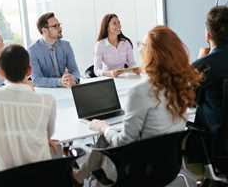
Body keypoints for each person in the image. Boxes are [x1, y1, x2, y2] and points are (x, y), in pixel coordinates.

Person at [74, 26, 201, 184]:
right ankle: (79, 176)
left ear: (152, 54)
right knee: (106, 139)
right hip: (169, 167)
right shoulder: (183, 85)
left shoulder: (141, 91)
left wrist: (104, 127)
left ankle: (78, 177)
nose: (140, 48)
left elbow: (123, 141)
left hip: (136, 171)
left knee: (103, 138)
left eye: (142, 45)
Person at [0, 45, 56, 174]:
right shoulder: (47, 101)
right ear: (29, 71)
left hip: (0, 180)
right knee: (56, 149)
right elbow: (48, 135)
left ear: (0, 72)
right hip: (39, 178)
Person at [193, 6, 228, 148]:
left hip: (215, 142)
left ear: (208, 35)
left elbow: (187, 101)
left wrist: (200, 60)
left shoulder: (202, 66)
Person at [28, 12, 80, 88]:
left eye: (59, 25)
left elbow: (75, 71)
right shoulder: (32, 51)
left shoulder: (66, 46)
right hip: (46, 93)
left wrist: (73, 79)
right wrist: (59, 82)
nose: (60, 28)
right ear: (44, 31)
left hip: (66, 90)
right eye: (55, 26)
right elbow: (36, 79)